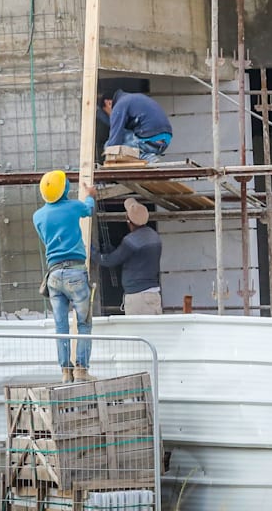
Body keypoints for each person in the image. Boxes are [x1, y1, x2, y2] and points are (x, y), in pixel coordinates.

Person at [32, 169, 97, 382]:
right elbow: (88, 210)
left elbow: (44, 238)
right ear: (65, 189)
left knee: (61, 326)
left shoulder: (38, 216)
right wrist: (90, 194)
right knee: (83, 323)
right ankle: (81, 370)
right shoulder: (73, 207)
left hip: (53, 275)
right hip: (75, 272)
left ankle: (65, 372)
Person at [97, 198, 163, 315]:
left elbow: (110, 261)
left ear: (128, 220)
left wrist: (92, 253)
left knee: (136, 331)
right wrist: (114, 251)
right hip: (153, 294)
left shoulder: (131, 241)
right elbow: (136, 258)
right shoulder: (154, 237)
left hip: (138, 297)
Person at [100, 89, 173, 163]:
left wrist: (109, 158)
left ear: (108, 103)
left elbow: (114, 142)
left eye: (108, 113)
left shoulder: (119, 105)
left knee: (109, 145)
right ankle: (145, 154)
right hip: (165, 141)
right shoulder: (135, 99)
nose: (110, 116)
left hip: (149, 141)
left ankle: (146, 157)